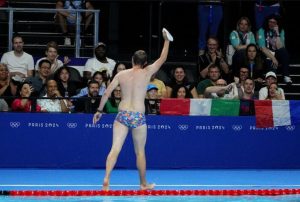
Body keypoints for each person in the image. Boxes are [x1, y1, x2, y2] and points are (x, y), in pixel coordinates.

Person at [92, 28, 171, 190]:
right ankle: (143, 184)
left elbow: (107, 92)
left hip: (122, 115)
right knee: (140, 152)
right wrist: (167, 40)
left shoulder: (122, 74)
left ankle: (106, 179)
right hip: (138, 116)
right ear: (145, 63)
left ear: (132, 60)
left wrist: (99, 111)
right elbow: (163, 58)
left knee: (115, 148)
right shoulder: (148, 72)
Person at [257, 14, 292, 84]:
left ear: (277, 23)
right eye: (270, 22)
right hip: (265, 54)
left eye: (274, 22)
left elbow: (281, 47)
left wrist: (277, 34)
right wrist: (273, 58)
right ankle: (272, 80)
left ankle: (286, 76)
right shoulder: (261, 30)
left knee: (283, 52)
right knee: (270, 60)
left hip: (276, 53)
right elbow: (262, 48)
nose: (271, 24)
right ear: (267, 22)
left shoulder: (281, 31)